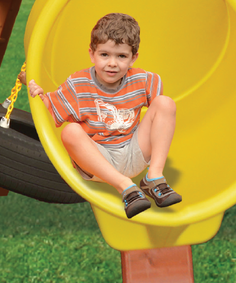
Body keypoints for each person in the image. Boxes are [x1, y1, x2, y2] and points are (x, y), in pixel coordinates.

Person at [28, 12, 180, 219]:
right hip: (99, 161)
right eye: (105, 55)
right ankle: (124, 186)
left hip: (133, 152)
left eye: (121, 56)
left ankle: (154, 177)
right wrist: (38, 93)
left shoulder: (144, 80)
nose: (112, 63)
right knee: (71, 131)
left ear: (133, 58)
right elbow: (50, 112)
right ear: (92, 54)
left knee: (165, 103)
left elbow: (161, 117)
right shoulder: (78, 84)